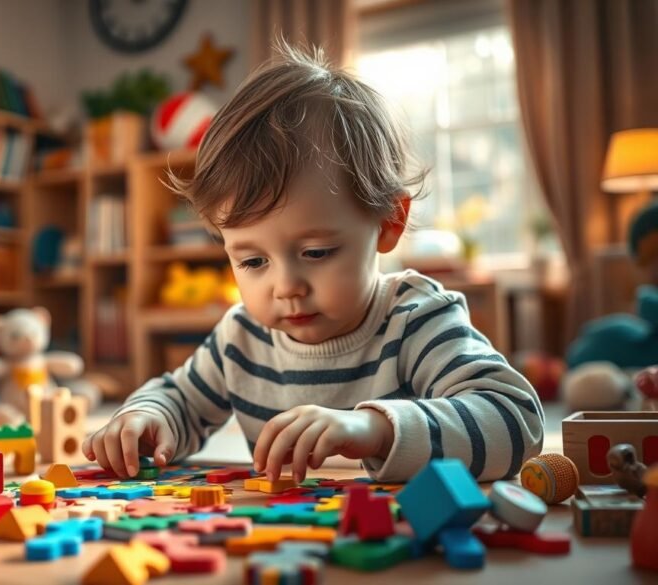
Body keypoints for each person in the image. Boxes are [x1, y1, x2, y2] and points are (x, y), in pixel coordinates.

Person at [83, 43, 544, 482]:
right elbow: (180, 399)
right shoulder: (241, 338)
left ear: (388, 222)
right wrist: (144, 417)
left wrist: (377, 430)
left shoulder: (416, 320)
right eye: (253, 261)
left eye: (316, 253)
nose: (286, 286)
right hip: (281, 547)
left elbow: (517, 421)